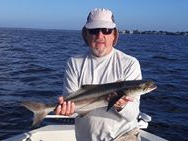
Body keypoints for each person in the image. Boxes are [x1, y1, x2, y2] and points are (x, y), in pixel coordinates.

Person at [55, 8, 142, 141]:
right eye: (94, 30)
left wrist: (121, 105)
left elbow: (133, 114)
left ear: (114, 35)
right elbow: (72, 103)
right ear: (86, 35)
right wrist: (67, 110)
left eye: (106, 30)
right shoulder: (74, 63)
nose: (100, 35)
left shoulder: (130, 63)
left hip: (123, 136)